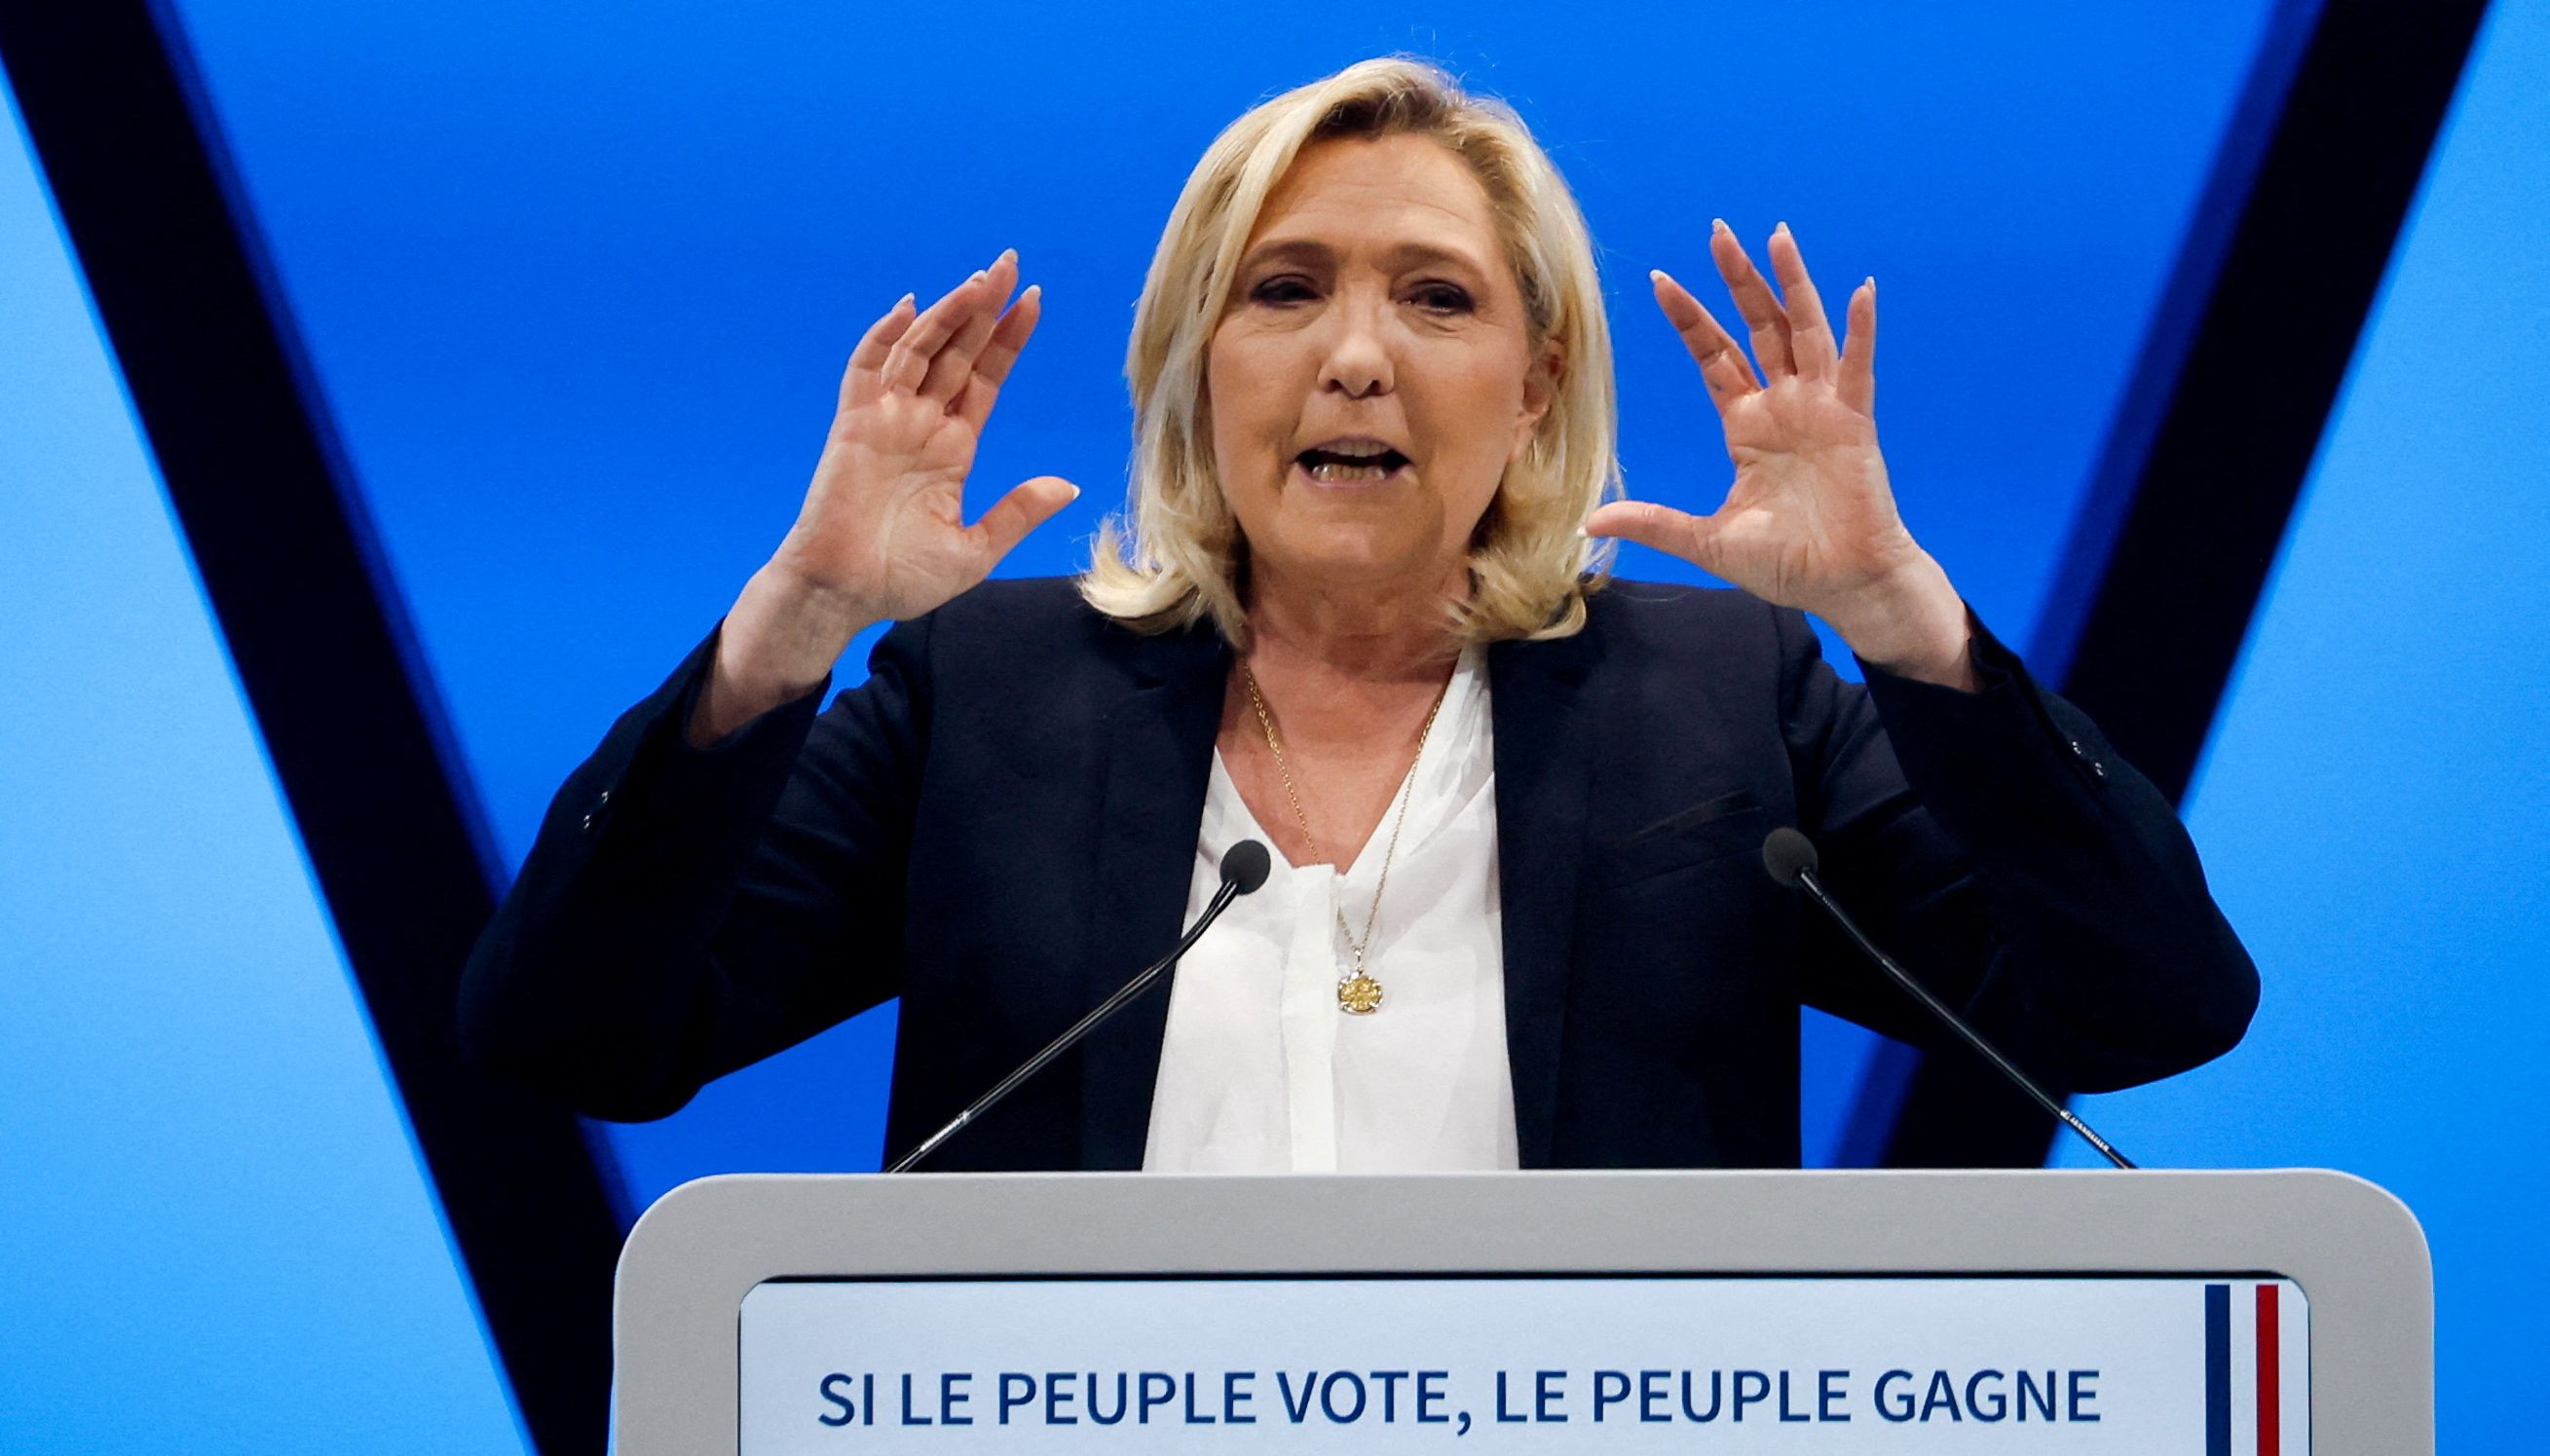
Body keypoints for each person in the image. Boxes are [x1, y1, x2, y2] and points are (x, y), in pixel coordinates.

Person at [459, 57, 2256, 1174]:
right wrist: (785, 638)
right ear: (1194, 373)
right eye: (1285, 290)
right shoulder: (988, 696)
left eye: (1436, 299)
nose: (1355, 358)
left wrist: (1902, 621)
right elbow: (573, 1043)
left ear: (1536, 391)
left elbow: (2144, 1010)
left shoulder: (1721, 700)